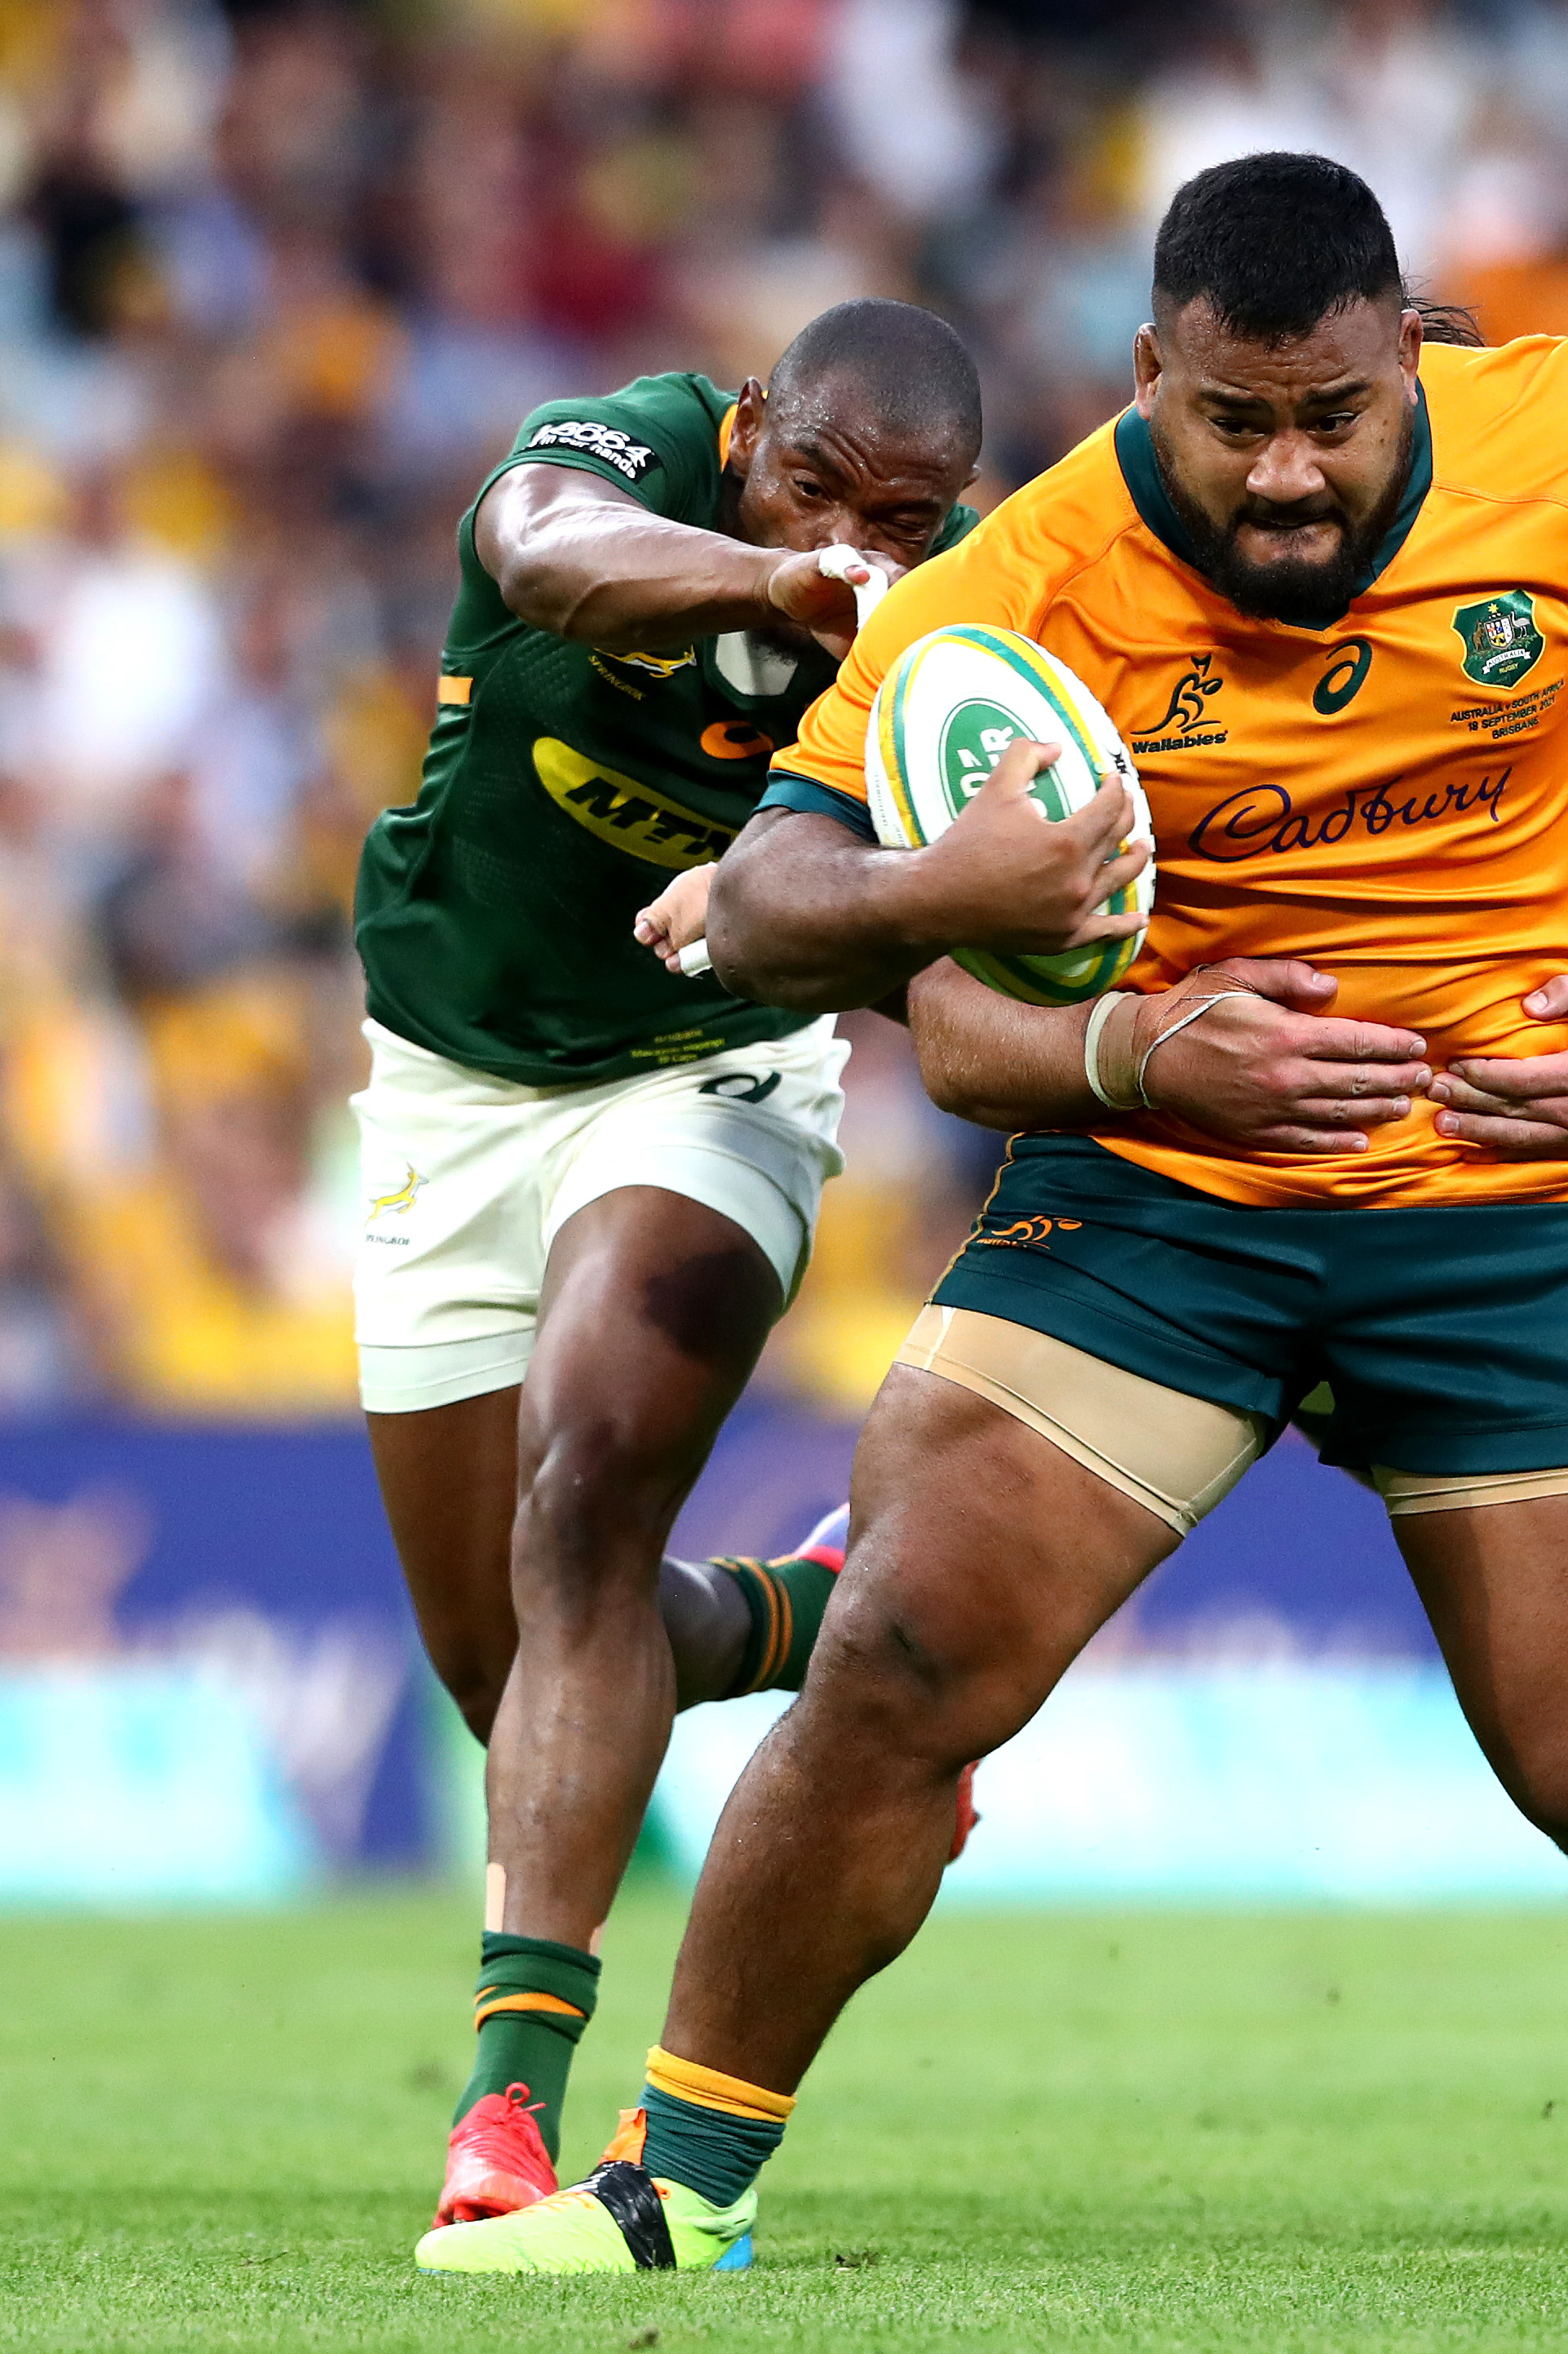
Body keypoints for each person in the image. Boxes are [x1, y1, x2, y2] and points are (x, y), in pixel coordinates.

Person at [417, 149, 1568, 2276]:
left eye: (1329, 416)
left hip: (1505, 1191)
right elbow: (786, 891)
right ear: (1150, 369)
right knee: (899, 1637)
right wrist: (1005, 950)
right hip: (1164, 1192)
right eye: (1229, 416)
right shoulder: (1026, 572)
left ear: (1404, 354)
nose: (1280, 472)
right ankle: (669, 2187)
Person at [353, 297, 1142, 2228]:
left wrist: (894, 903)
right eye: (824, 489)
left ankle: (508, 2109)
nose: (868, 544)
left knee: (591, 1479)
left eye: (911, 515)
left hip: (710, 1072)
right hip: (449, 1082)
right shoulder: (625, 450)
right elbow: (541, 553)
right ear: (752, 423)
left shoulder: (967, 625)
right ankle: (799, 1625)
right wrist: (787, 584)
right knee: (512, 1652)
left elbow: (966, 959)